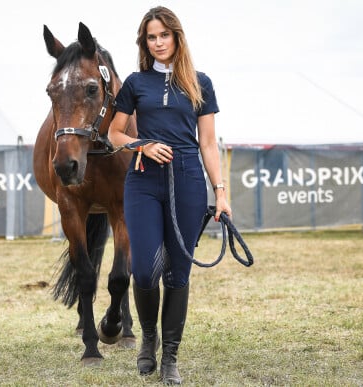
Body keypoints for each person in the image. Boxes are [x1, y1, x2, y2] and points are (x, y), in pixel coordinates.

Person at [108, 6, 232, 385]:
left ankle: (170, 359)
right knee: (145, 270)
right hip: (143, 182)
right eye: (151, 36)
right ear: (144, 42)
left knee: (178, 273)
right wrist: (142, 144)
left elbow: (208, 144)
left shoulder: (200, 82)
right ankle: (148, 337)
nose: (158, 42)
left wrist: (221, 192)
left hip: (189, 181)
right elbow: (114, 135)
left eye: (164, 35)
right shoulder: (134, 82)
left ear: (177, 37)